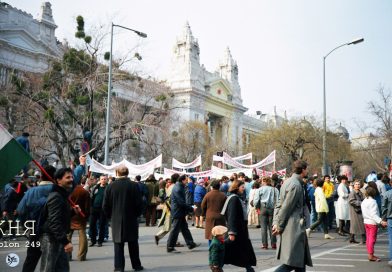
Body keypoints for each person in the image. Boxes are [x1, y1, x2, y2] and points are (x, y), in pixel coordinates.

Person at [272, 160, 313, 272]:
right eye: (306, 169)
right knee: (292, 262)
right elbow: (286, 207)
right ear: (303, 170)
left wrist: (276, 223)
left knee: (299, 260)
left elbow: (279, 204)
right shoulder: (295, 184)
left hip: (294, 225)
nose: (307, 171)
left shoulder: (288, 182)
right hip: (294, 226)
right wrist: (279, 225)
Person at [103, 166, 143, 271]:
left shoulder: (110, 186)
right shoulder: (134, 186)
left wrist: (110, 216)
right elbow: (139, 203)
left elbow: (105, 205)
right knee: (133, 244)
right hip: (131, 218)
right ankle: (137, 265)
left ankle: (119, 267)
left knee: (118, 245)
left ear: (117, 173)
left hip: (116, 218)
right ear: (128, 173)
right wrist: (137, 215)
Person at [40, 168, 81, 272]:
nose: (71, 179)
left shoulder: (62, 195)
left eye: (71, 177)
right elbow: (54, 222)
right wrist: (65, 242)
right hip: (51, 238)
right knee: (48, 269)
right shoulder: (56, 197)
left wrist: (72, 212)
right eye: (68, 177)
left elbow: (60, 217)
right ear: (58, 180)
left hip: (58, 238)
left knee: (63, 268)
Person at [17, 166, 56, 272]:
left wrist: (27, 226)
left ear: (41, 177)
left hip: (34, 229)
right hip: (53, 231)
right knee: (50, 262)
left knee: (31, 259)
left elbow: (21, 210)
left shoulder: (31, 192)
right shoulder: (58, 191)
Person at [221, 180, 256, 271]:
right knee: (229, 252)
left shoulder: (236, 198)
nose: (243, 189)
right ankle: (217, 267)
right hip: (237, 230)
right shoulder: (234, 199)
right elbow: (232, 216)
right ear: (237, 187)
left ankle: (249, 268)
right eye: (242, 187)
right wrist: (232, 232)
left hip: (240, 230)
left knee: (242, 251)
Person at [166, 174, 200, 253]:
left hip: (179, 211)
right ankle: (170, 246)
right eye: (186, 180)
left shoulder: (179, 186)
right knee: (175, 230)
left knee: (184, 229)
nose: (187, 181)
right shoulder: (178, 188)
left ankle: (190, 243)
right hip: (178, 212)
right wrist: (191, 208)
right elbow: (181, 202)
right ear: (183, 180)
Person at [361, 186, 387, 262]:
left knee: (368, 239)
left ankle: (370, 254)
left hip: (366, 221)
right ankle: (371, 255)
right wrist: (381, 221)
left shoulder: (364, 201)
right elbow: (373, 214)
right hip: (372, 222)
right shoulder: (373, 202)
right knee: (372, 239)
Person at [253, 176, 279, 249]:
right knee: (272, 227)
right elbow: (278, 201)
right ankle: (273, 243)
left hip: (262, 208)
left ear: (263, 181)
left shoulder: (259, 190)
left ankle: (264, 244)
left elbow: (255, 201)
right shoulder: (275, 189)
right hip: (272, 209)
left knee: (263, 227)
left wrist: (257, 207)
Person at [68, 184, 90, 261]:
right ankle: (81, 256)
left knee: (68, 235)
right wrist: (86, 216)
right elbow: (87, 206)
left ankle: (67, 255)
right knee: (82, 235)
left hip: (70, 215)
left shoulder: (68, 191)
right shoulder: (85, 192)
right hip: (81, 215)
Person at [201, 179, 226, 246]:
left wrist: (203, 214)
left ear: (212, 187)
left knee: (211, 234)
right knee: (220, 234)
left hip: (210, 216)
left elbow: (203, 205)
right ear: (219, 186)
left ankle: (211, 248)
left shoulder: (208, 195)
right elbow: (226, 207)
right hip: (220, 216)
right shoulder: (223, 195)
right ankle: (221, 248)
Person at [89, 175, 108, 247]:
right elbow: (91, 197)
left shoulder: (108, 188)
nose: (103, 180)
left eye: (104, 179)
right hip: (94, 209)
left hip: (103, 210)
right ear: (99, 180)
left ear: (106, 180)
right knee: (92, 225)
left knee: (102, 226)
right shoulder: (95, 188)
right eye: (102, 179)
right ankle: (93, 240)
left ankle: (100, 241)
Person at [155, 178, 174, 245]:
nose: (168, 183)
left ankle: (158, 236)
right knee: (171, 227)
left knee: (170, 226)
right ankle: (173, 242)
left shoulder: (166, 189)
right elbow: (165, 199)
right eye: (168, 182)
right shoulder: (164, 190)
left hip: (168, 209)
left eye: (169, 182)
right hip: (168, 209)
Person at [381, 186, 392, 266]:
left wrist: (383, 219)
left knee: (391, 240)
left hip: (390, 218)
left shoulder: (387, 194)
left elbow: (384, 207)